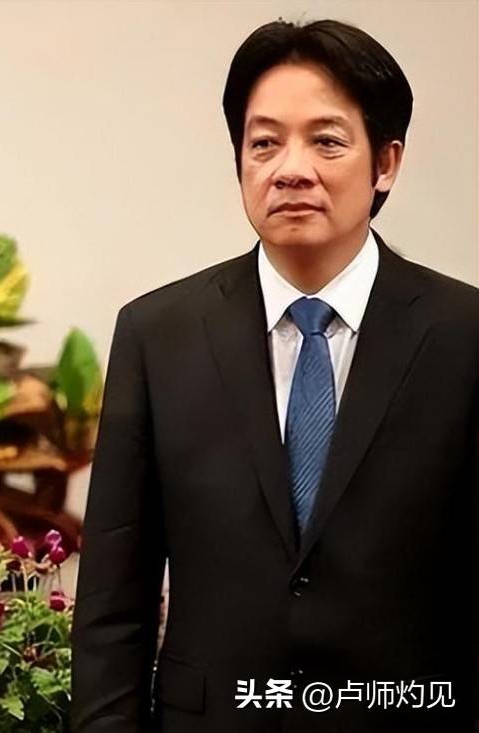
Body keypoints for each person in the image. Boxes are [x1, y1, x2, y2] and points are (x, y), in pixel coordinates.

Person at [70, 19, 478, 733]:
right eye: (264, 143)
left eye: (326, 141)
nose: (291, 169)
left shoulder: (463, 335)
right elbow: (113, 603)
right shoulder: (158, 335)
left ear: (386, 163)